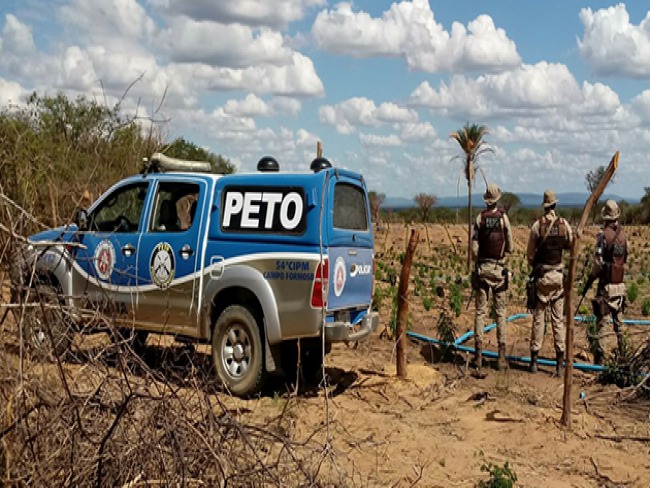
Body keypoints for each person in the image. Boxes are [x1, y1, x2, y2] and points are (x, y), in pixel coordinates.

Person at [526, 189, 573, 376]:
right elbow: (571, 244)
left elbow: (530, 255)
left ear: (544, 205)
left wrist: (537, 263)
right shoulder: (564, 225)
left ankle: (534, 361)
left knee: (539, 319)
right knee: (558, 321)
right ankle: (560, 363)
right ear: (555, 205)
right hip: (558, 278)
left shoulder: (537, 226)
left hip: (543, 279)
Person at [471, 183, 514, 376]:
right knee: (501, 313)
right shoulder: (504, 219)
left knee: (480, 312)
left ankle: (478, 355)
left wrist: (479, 259)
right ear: (497, 199)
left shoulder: (479, 218)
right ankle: (501, 357)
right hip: (498, 271)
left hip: (482, 270)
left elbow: (473, 249)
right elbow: (510, 246)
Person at [589, 200, 628, 364]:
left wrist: (592, 276)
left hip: (606, 286)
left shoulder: (602, 236)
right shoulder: (624, 235)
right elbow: (625, 257)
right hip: (620, 285)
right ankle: (625, 354)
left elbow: (597, 262)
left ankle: (600, 360)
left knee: (603, 323)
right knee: (619, 323)